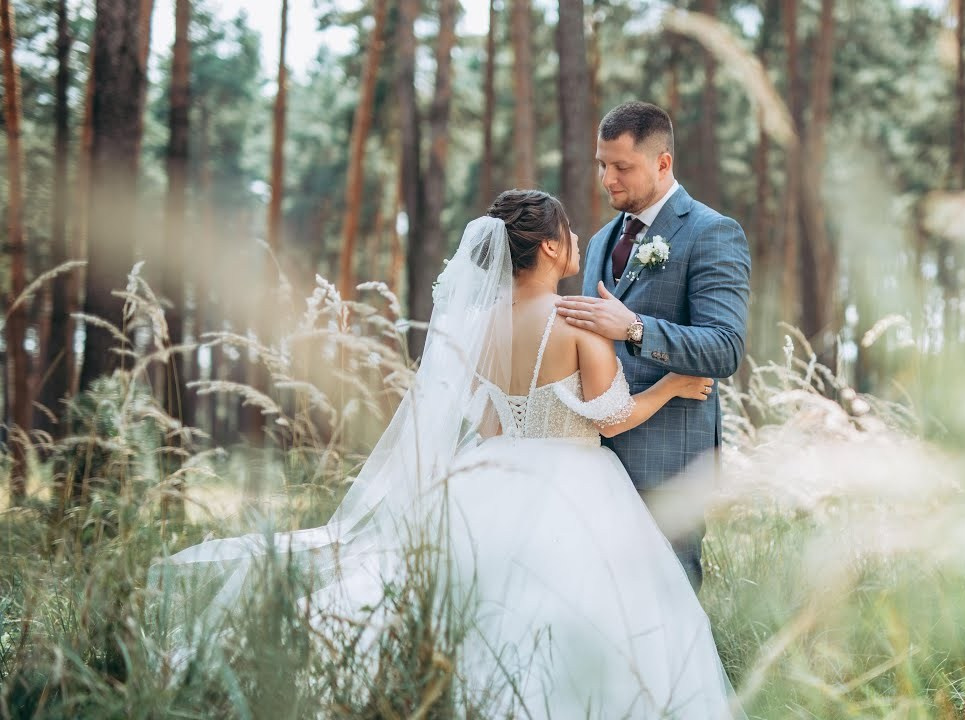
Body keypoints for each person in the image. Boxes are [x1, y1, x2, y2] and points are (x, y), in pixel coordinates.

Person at [153, 189, 741, 719]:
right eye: (568, 233)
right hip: (577, 476)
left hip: (495, 470)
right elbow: (612, 415)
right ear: (546, 245)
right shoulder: (576, 322)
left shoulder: (477, 326)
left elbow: (487, 421)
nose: (579, 242)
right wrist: (671, 387)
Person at [557, 101, 752, 590]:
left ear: (663, 163)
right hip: (596, 458)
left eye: (622, 166)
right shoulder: (601, 240)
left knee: (670, 604)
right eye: (602, 164)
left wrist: (636, 328)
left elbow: (725, 347)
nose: (608, 179)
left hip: (669, 464)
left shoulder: (712, 233)